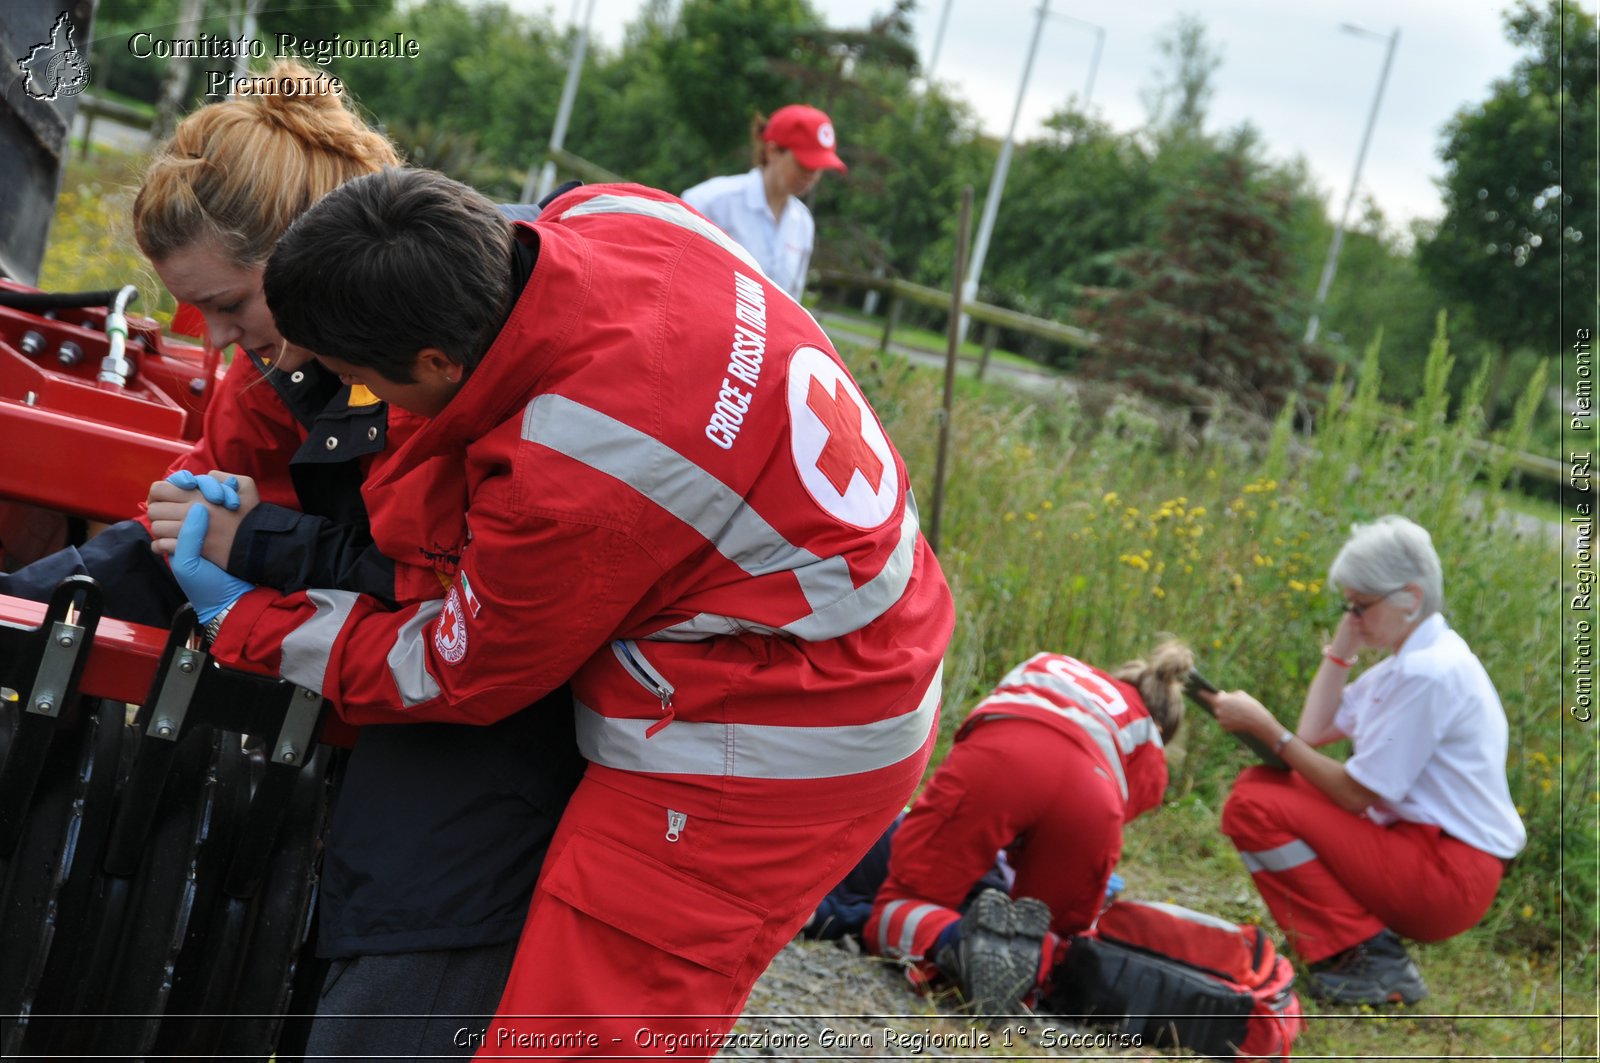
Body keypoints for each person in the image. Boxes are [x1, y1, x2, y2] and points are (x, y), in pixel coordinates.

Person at [169, 167, 953, 1059]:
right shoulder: (612, 214)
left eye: (360, 381)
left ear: (434, 363)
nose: (371, 405)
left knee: (576, 1035)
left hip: (776, 733)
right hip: (841, 627)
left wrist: (247, 623)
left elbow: (451, 668)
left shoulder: (576, 469)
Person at [127, 66, 583, 1058]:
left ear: (304, 266)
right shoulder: (277, 366)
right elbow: (204, 509)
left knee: (400, 941)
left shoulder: (443, 358)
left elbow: (449, 594)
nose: (211, 339)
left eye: (226, 303)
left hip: (499, 713)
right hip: (407, 678)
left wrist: (258, 552)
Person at [1208, 515, 1525, 1006]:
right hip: (1425, 853)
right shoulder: (1416, 659)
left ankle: (1366, 956)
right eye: (1347, 606)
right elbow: (1315, 731)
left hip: (1448, 873)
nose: (1352, 617)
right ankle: (1356, 949)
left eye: (1361, 606)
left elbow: (1355, 792)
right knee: (1260, 788)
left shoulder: (1429, 673)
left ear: (1411, 599)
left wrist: (1269, 730)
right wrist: (1342, 650)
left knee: (1255, 802)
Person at [864, 641, 1193, 1015]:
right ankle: (1031, 970)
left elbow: (980, 725)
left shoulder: (1054, 661)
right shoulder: (1148, 736)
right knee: (1051, 932)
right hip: (1091, 795)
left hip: (1001, 756)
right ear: (1162, 723)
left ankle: (953, 942)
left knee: (905, 899)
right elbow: (1120, 810)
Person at [681, 104, 846, 301]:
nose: (811, 176)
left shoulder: (803, 224)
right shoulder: (710, 202)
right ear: (772, 151)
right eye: (804, 165)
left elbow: (791, 304)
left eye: (819, 168)